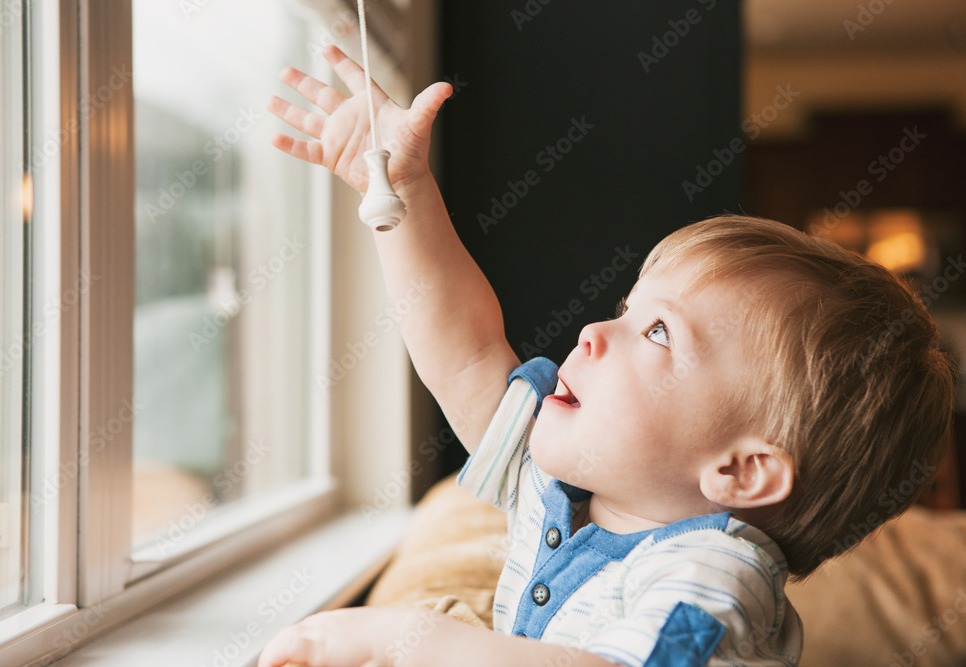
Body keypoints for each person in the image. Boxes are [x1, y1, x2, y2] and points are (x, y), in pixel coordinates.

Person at [258, 46, 955, 667]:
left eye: (657, 332)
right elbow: (466, 353)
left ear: (740, 469)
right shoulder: (571, 489)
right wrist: (401, 190)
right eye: (627, 309)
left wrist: (402, 639)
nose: (593, 330)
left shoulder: (715, 577)